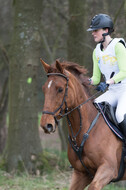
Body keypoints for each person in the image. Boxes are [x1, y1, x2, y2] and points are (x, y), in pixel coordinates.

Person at [87, 13, 126, 138]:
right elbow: (96, 78)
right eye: (93, 30)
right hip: (113, 92)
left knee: (120, 115)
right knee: (94, 107)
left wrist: (108, 82)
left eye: (96, 30)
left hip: (124, 90)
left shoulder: (118, 46)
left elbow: (124, 71)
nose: (93, 33)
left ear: (106, 30)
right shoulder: (96, 52)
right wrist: (84, 81)